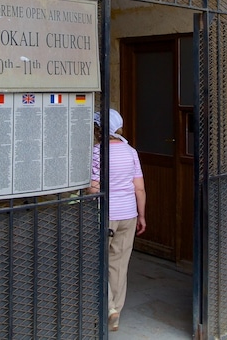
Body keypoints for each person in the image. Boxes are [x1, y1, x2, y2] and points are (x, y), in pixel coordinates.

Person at [87, 108, 146, 332]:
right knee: (119, 265)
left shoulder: (96, 152)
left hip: (105, 214)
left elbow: (94, 188)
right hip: (128, 213)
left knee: (97, 259)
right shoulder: (131, 151)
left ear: (99, 130)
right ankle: (116, 313)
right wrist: (142, 215)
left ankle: (109, 307)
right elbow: (139, 188)